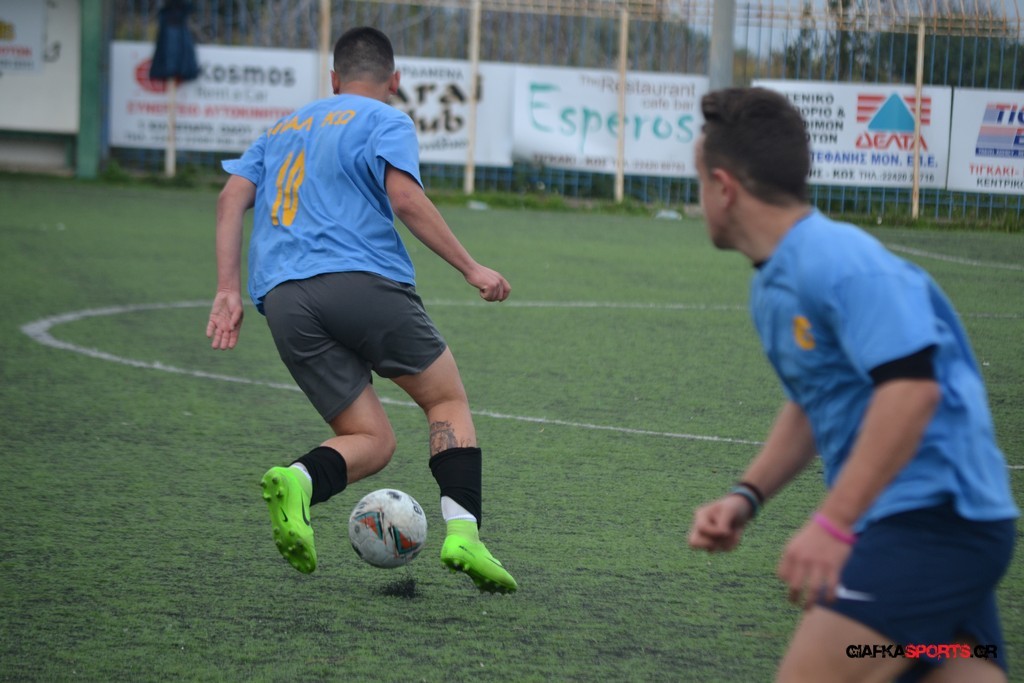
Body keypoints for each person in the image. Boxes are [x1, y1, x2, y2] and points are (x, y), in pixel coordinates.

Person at [687, 87, 1017, 682]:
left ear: (724, 187)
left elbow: (912, 389)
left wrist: (832, 524)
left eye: (698, 185)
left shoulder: (839, 261)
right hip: (934, 529)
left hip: (931, 523)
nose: (699, 200)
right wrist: (746, 496)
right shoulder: (774, 281)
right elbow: (815, 400)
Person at [205, 26, 517, 594]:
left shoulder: (282, 128)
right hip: (361, 282)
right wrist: (471, 268)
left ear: (333, 79)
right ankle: (464, 534)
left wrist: (227, 289)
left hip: (284, 299)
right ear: (394, 80)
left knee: (371, 439)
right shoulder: (386, 119)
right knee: (445, 400)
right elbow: (405, 199)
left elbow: (231, 198)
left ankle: (299, 480)